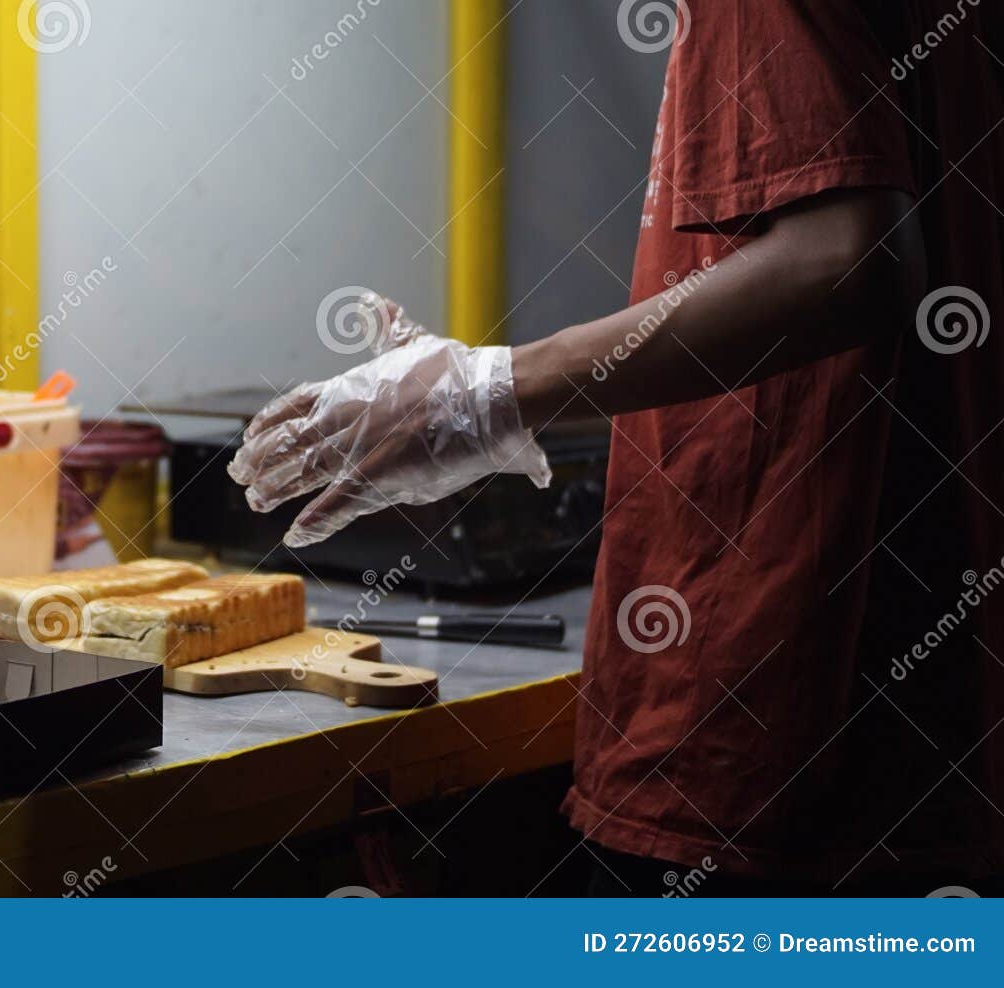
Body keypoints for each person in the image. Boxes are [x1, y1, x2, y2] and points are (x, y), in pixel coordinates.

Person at [229, 1, 1003, 895]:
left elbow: (851, 260)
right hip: (916, 707)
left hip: (775, 697)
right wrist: (485, 394)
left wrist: (491, 391)